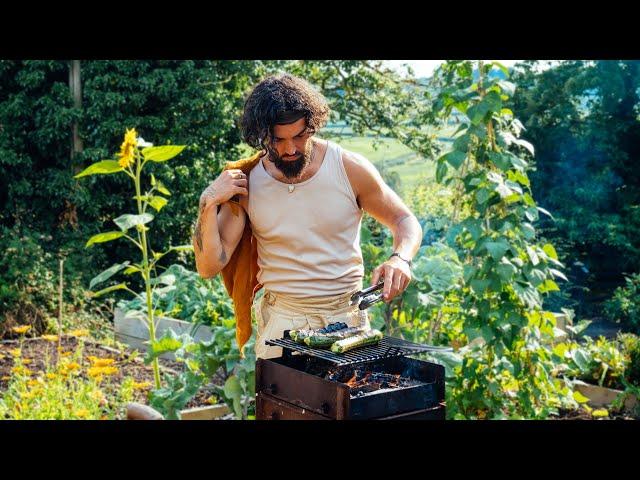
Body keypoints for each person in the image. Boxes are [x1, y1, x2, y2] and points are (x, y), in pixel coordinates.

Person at [193, 73, 422, 359]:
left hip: (347, 320)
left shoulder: (348, 168)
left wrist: (400, 258)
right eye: (278, 140)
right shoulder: (247, 183)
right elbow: (208, 266)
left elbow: (403, 219)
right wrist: (208, 201)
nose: (290, 149)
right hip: (282, 321)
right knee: (280, 404)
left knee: (348, 404)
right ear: (262, 134)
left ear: (312, 125)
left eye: (299, 136)